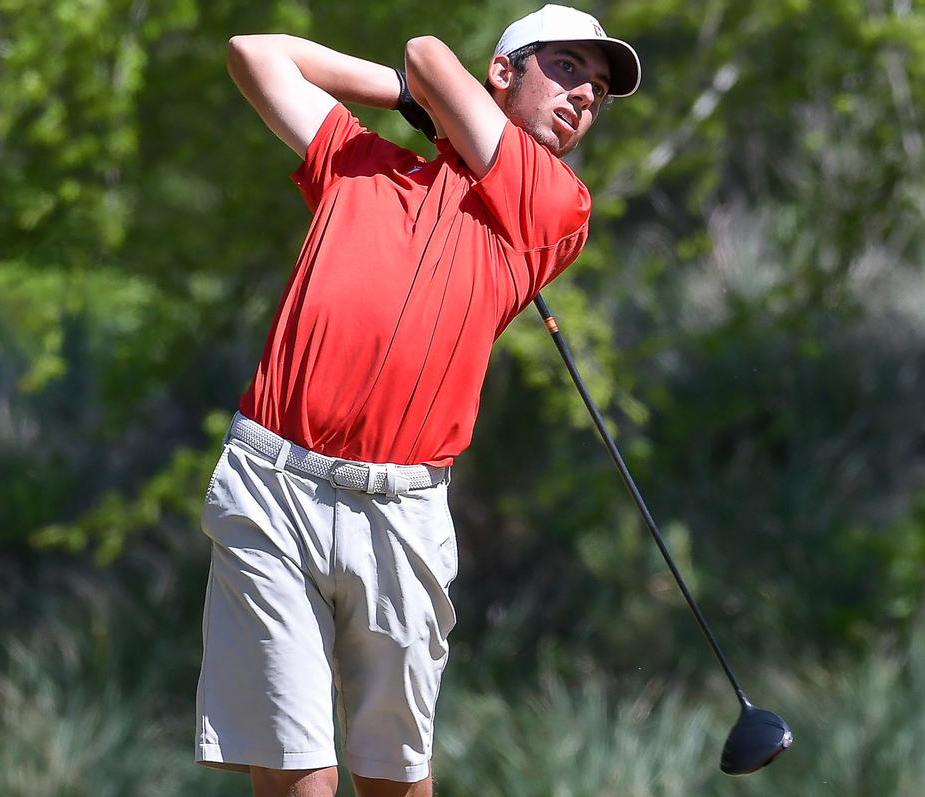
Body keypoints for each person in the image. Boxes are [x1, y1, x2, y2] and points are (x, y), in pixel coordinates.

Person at [197, 6, 641, 796]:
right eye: (568, 68)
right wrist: (407, 95)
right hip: (272, 482)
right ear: (502, 72)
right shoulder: (360, 166)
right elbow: (256, 52)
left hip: (400, 511)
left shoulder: (551, 207)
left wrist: (429, 96)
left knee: (393, 776)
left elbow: (433, 58)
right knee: (299, 772)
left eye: (600, 91)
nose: (585, 96)